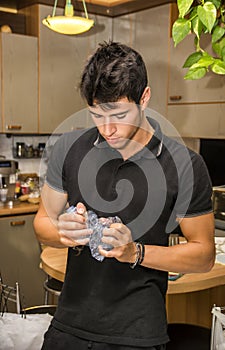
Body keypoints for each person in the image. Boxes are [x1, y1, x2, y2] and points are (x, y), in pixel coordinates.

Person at [34, 41, 215, 350]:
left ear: (144, 98)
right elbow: (42, 224)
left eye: (118, 115)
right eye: (96, 115)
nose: (107, 129)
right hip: (68, 325)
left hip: (137, 334)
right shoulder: (69, 149)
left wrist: (135, 253)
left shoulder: (185, 164)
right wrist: (65, 231)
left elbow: (203, 255)